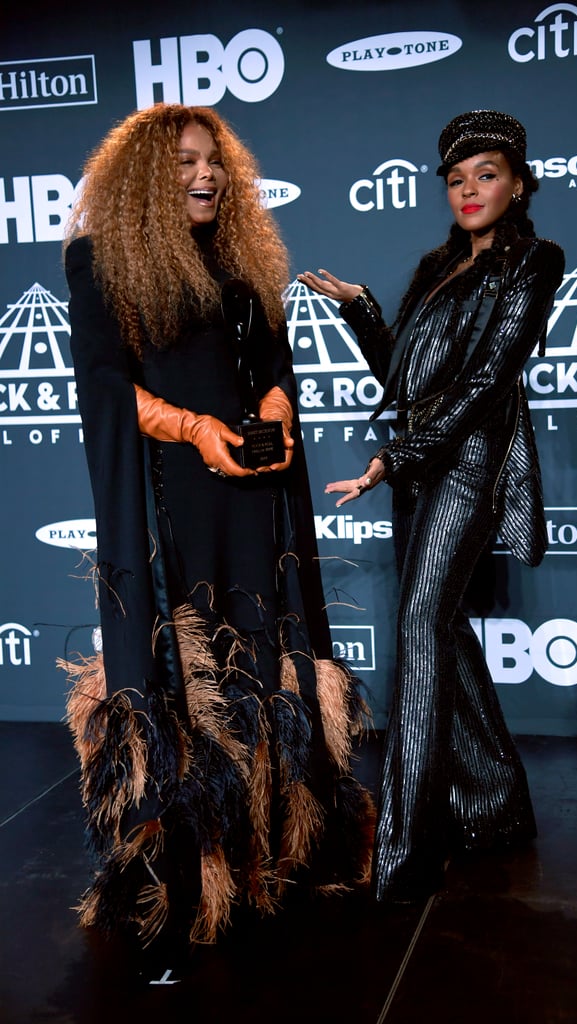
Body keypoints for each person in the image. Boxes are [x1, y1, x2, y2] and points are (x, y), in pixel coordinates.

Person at [61, 103, 375, 947]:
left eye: (214, 162)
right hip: (172, 507)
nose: (205, 176)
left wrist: (271, 412)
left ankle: (275, 864)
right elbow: (103, 384)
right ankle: (185, 887)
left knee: (265, 653)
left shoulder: (241, 261)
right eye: (183, 164)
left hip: (254, 496)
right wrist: (196, 429)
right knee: (185, 668)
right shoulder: (99, 263)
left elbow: (275, 365)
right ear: (142, 183)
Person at [298, 109, 565, 903]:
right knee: (439, 629)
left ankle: (407, 849)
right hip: (420, 465)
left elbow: (487, 381)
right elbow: (404, 377)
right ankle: (496, 807)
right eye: (455, 180)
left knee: (416, 627)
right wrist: (361, 311)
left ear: (518, 184)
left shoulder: (534, 261)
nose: (469, 190)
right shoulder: (435, 267)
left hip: (470, 463)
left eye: (486, 174)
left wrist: (399, 455)